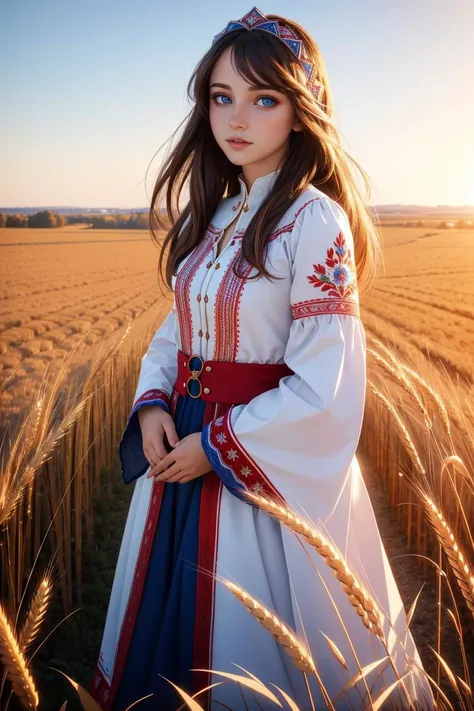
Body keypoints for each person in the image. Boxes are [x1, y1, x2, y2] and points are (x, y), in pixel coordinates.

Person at [89, 7, 433, 710]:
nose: (236, 118)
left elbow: (325, 388)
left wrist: (213, 445)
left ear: (302, 111)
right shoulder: (212, 216)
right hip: (175, 455)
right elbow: (175, 329)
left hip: (256, 473)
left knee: (245, 665)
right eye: (222, 97)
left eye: (263, 98)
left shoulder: (315, 221)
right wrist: (153, 403)